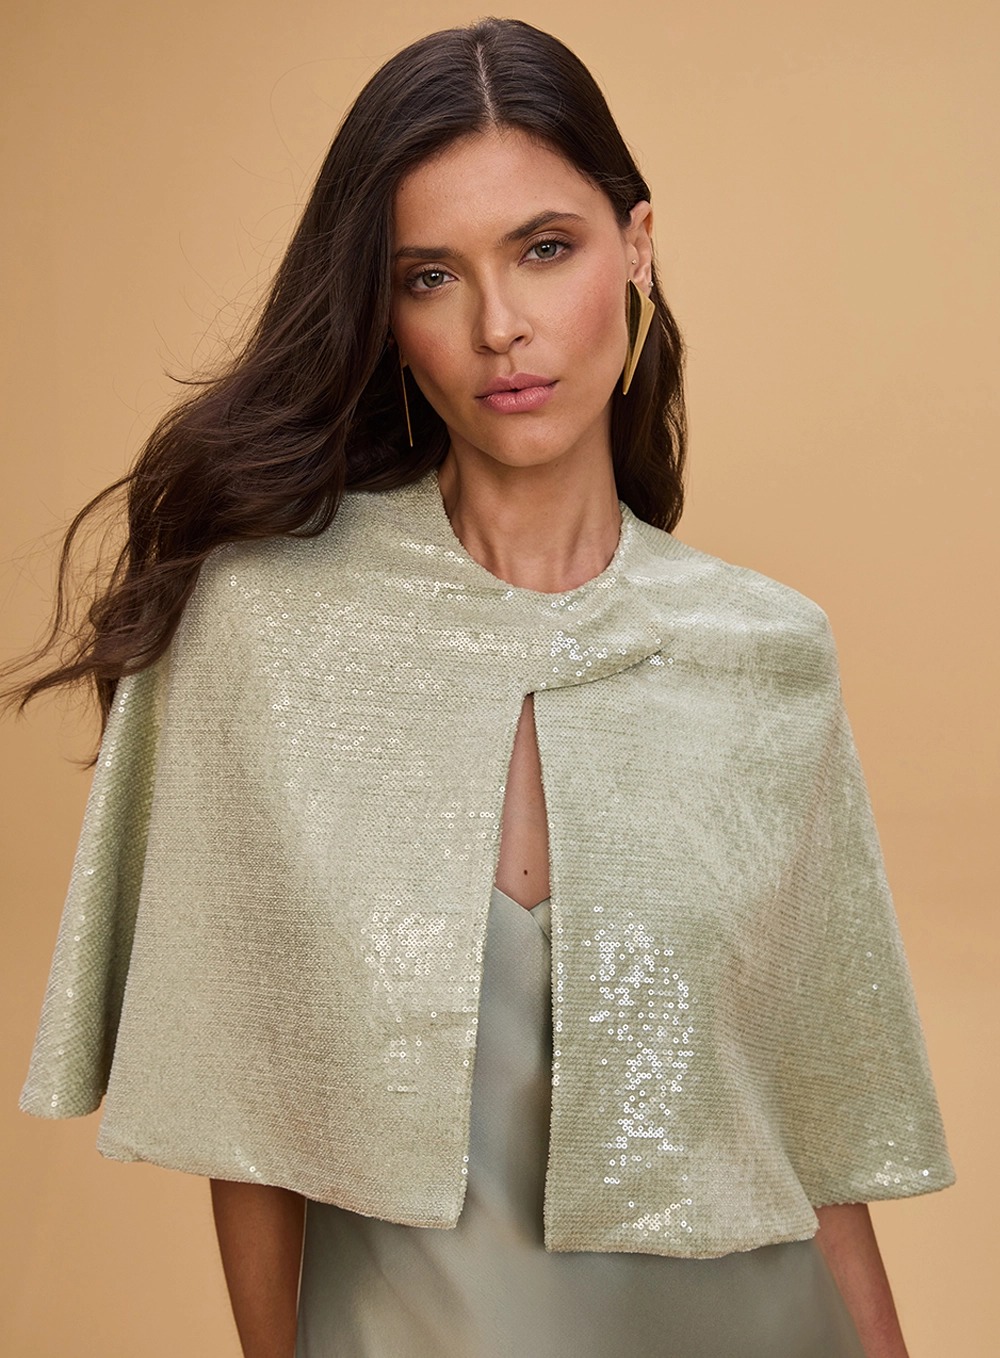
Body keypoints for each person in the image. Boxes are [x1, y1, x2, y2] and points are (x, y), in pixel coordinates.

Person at [7, 17, 956, 1358]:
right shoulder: (266, 635)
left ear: (636, 246)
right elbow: (247, 1114)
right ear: (385, 315)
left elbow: (815, 1132)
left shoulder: (767, 649)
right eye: (432, 275)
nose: (500, 326)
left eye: (545, 248)